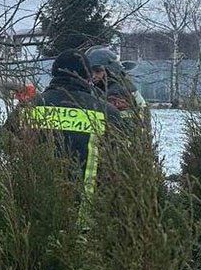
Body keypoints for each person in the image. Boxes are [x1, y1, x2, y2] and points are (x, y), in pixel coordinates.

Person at [18, 50, 123, 194]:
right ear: (88, 76)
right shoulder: (107, 112)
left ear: (54, 73)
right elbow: (123, 156)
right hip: (89, 205)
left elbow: (4, 142)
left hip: (33, 202)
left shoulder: (30, 106)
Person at [84, 45, 147, 123]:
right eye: (90, 71)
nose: (93, 76)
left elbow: (121, 124)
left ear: (111, 71)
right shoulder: (115, 86)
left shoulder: (116, 93)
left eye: (98, 71)